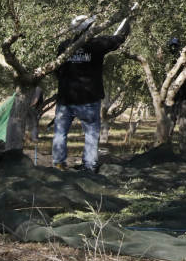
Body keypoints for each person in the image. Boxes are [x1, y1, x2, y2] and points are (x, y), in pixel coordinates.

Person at [51, 14, 131, 172]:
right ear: (90, 27)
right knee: (91, 135)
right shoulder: (96, 44)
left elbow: (56, 70)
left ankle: (58, 164)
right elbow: (119, 38)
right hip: (89, 98)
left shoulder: (64, 45)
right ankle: (89, 166)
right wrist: (127, 20)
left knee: (60, 133)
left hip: (66, 98)